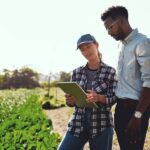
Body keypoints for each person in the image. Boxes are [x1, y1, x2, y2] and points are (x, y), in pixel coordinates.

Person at [101, 6, 150, 150]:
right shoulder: (121, 47)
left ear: (121, 21)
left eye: (110, 27)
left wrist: (137, 116)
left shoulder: (142, 43)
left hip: (135, 110)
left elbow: (149, 82)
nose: (109, 33)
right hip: (121, 108)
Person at [57, 34, 117, 150]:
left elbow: (114, 97)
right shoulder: (76, 72)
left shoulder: (110, 71)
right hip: (77, 123)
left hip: (101, 125)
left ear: (97, 45)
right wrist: (70, 100)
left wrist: (99, 98)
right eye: (82, 50)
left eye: (88, 47)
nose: (86, 52)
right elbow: (71, 103)